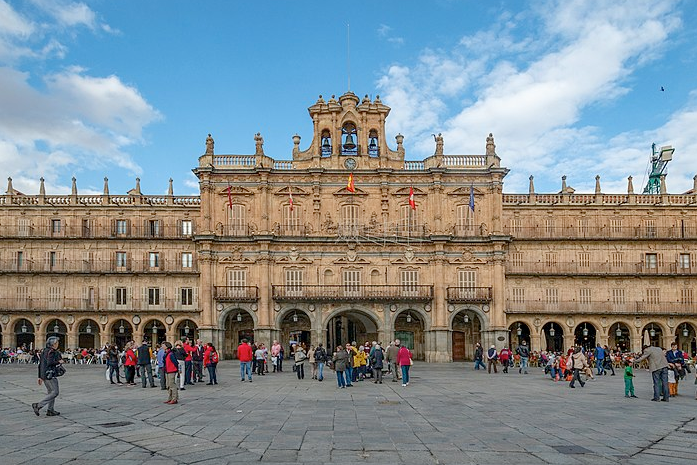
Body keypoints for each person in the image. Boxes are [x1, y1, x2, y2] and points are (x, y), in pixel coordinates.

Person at [32, 336, 63, 417]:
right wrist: (59, 361)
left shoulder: (45, 351)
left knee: (51, 392)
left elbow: (40, 364)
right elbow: (50, 362)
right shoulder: (51, 351)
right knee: (55, 392)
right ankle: (38, 405)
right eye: (56, 343)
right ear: (53, 344)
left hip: (45, 374)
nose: (57, 344)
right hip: (50, 374)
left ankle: (50, 410)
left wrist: (40, 376)